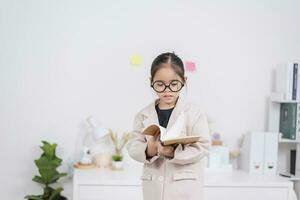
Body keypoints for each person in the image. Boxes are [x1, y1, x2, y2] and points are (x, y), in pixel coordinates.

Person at [127, 52, 211, 200]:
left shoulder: (194, 113)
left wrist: (172, 153)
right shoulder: (143, 115)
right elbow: (133, 146)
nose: (167, 90)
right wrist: (149, 150)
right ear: (151, 81)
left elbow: (203, 146)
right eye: (160, 84)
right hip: (153, 189)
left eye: (173, 84)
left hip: (184, 189)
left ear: (184, 81)